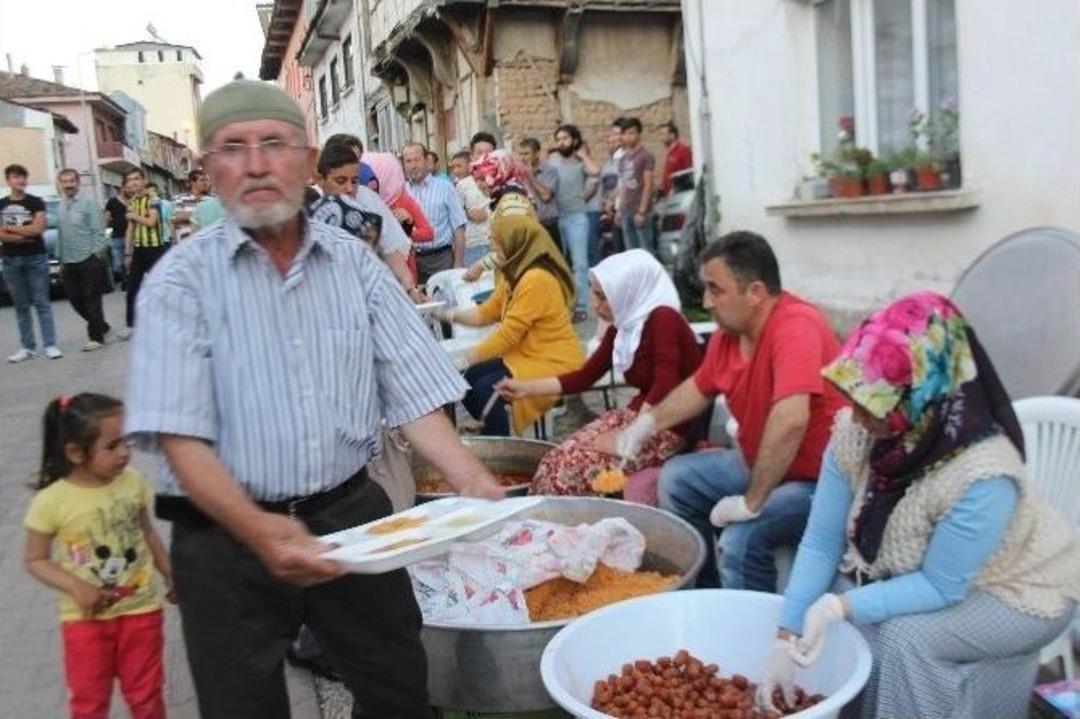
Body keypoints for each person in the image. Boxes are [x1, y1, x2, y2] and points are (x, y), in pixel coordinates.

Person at [124, 79, 503, 719]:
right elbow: (178, 437)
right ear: (209, 168)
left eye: (273, 144)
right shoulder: (178, 283)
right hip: (224, 532)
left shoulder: (354, 266)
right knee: (242, 706)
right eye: (232, 148)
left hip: (348, 514)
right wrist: (259, 529)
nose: (255, 164)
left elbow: (414, 391)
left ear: (305, 161)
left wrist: (471, 479)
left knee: (398, 687)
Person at [760, 292, 1080, 719]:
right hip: (933, 572)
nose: (858, 417)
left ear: (926, 394)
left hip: (1019, 586)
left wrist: (841, 607)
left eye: (875, 407)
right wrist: (786, 636)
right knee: (836, 600)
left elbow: (940, 587)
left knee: (904, 637)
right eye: (855, 398)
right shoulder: (856, 434)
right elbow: (821, 540)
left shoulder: (982, 474)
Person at [608, 231, 845, 591]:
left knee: (741, 539)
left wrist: (752, 503)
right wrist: (645, 424)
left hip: (817, 480)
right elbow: (697, 389)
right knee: (676, 480)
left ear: (755, 292)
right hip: (759, 462)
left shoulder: (796, 326)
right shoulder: (729, 335)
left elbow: (791, 420)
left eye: (715, 290)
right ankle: (706, 590)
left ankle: (748, 616)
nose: (706, 301)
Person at [499, 249, 702, 495]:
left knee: (567, 471)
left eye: (602, 297)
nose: (595, 305)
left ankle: (565, 516)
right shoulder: (624, 327)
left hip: (666, 427)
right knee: (553, 459)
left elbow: (664, 385)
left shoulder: (664, 318)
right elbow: (585, 376)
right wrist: (525, 388)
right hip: (636, 418)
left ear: (628, 291)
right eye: (593, 294)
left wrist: (631, 435)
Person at [24, 393, 174, 719]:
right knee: (89, 703)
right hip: (85, 622)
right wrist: (75, 586)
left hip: (141, 612)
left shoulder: (132, 482)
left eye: (126, 442)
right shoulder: (52, 500)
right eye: (112, 446)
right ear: (76, 453)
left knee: (147, 695)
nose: (124, 453)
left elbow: (147, 532)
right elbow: (36, 559)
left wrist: (169, 573)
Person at [437, 151, 584, 436]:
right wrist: (448, 314)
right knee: (470, 380)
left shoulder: (535, 278)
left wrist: (466, 357)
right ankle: (493, 433)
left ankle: (503, 445)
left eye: (497, 239)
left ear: (515, 242)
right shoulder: (512, 271)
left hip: (549, 357)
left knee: (484, 388)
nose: (492, 244)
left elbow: (508, 335)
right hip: (528, 352)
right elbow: (489, 312)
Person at [310, 143, 419, 296]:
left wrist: (410, 289)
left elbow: (391, 249)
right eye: (340, 181)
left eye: (354, 181)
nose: (349, 188)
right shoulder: (310, 206)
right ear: (320, 180)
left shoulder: (369, 200)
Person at [1, 163, 61, 362]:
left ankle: (50, 345)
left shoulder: (36, 202)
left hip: (35, 257)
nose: (20, 180)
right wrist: (25, 233)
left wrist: (11, 230)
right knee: (21, 305)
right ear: (8, 180)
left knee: (42, 302)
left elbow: (38, 229)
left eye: (23, 177)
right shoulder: (1, 204)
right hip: (10, 259)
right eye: (15, 177)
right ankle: (27, 347)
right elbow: (1, 234)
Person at [545, 124, 601, 323]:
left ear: (575, 140)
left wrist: (583, 154)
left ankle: (581, 307)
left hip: (577, 218)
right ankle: (562, 306)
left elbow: (596, 171)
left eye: (565, 138)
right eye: (558, 139)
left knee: (580, 264)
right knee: (559, 265)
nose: (561, 142)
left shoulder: (580, 161)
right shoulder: (552, 160)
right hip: (555, 218)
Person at [56, 169, 112, 351]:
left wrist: (96, 254)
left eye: (71, 181)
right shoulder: (61, 205)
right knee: (75, 300)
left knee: (92, 299)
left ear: (78, 182)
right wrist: (60, 259)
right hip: (68, 260)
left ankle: (96, 337)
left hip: (88, 258)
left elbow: (99, 231)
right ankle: (101, 325)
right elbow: (61, 234)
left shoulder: (89, 204)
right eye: (64, 182)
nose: (68, 185)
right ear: (60, 184)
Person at [363, 150, 436, 286]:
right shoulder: (363, 201)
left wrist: (406, 228)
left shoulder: (402, 199)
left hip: (403, 272)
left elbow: (428, 233)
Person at [402, 142, 467, 281]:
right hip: (411, 261)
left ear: (426, 161)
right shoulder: (401, 191)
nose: (413, 165)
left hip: (441, 259)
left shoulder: (445, 187)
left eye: (417, 160)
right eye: (408, 161)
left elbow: (459, 228)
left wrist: (458, 264)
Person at [122, 168, 166, 335]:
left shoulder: (154, 198)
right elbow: (130, 229)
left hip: (155, 248)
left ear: (144, 180)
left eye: (136, 179)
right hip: (139, 249)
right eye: (130, 180)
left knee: (161, 288)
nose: (133, 183)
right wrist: (128, 253)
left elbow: (151, 222)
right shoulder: (132, 202)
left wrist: (133, 216)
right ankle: (131, 325)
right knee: (132, 287)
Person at [617, 117, 657, 253]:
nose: (628, 137)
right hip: (626, 210)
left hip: (640, 210)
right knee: (631, 253)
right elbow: (623, 184)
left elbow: (648, 185)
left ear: (639, 134)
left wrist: (642, 211)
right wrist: (619, 208)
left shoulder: (646, 156)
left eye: (632, 133)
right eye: (625, 133)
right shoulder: (622, 159)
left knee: (646, 251)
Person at [516, 137, 561, 251]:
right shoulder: (517, 174)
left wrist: (530, 175)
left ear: (537, 154)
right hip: (527, 227)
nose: (523, 158)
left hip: (548, 226)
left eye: (526, 154)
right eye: (520, 154)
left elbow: (546, 196)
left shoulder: (550, 171)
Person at [451, 149, 492, 266]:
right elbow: (457, 212)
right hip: (475, 240)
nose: (455, 171)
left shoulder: (483, 181)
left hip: (483, 239)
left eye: (459, 166)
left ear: (470, 166)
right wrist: (470, 214)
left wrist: (485, 213)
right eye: (453, 167)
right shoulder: (461, 185)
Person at [171, 169, 214, 242]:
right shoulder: (179, 198)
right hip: (186, 242)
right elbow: (176, 217)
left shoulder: (213, 199)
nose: (206, 183)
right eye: (202, 180)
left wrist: (187, 214)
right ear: (193, 183)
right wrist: (205, 214)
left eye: (207, 180)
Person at [104, 181, 135, 281]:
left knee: (132, 263)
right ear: (122, 188)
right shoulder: (112, 201)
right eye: (128, 188)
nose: (130, 190)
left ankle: (129, 281)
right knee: (118, 264)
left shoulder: (134, 201)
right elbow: (106, 218)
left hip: (133, 237)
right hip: (117, 236)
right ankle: (123, 279)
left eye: (132, 188)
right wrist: (103, 233)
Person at [659, 121, 693, 198]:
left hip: (680, 193)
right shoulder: (669, 152)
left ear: (672, 135)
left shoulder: (683, 150)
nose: (661, 138)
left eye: (663, 134)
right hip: (669, 195)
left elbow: (689, 172)